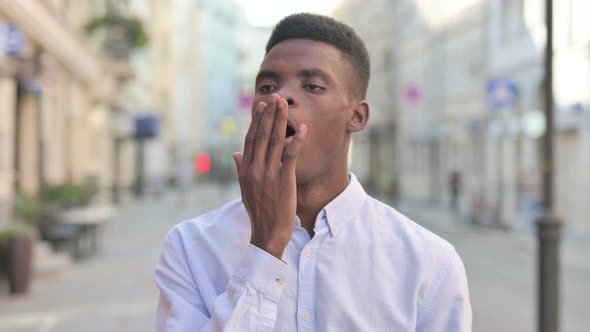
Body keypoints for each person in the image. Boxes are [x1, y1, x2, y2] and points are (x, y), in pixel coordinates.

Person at [155, 13, 471, 331]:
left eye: (313, 86)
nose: (281, 96)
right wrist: (265, 248)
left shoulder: (430, 264)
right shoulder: (190, 247)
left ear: (357, 116)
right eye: (267, 85)